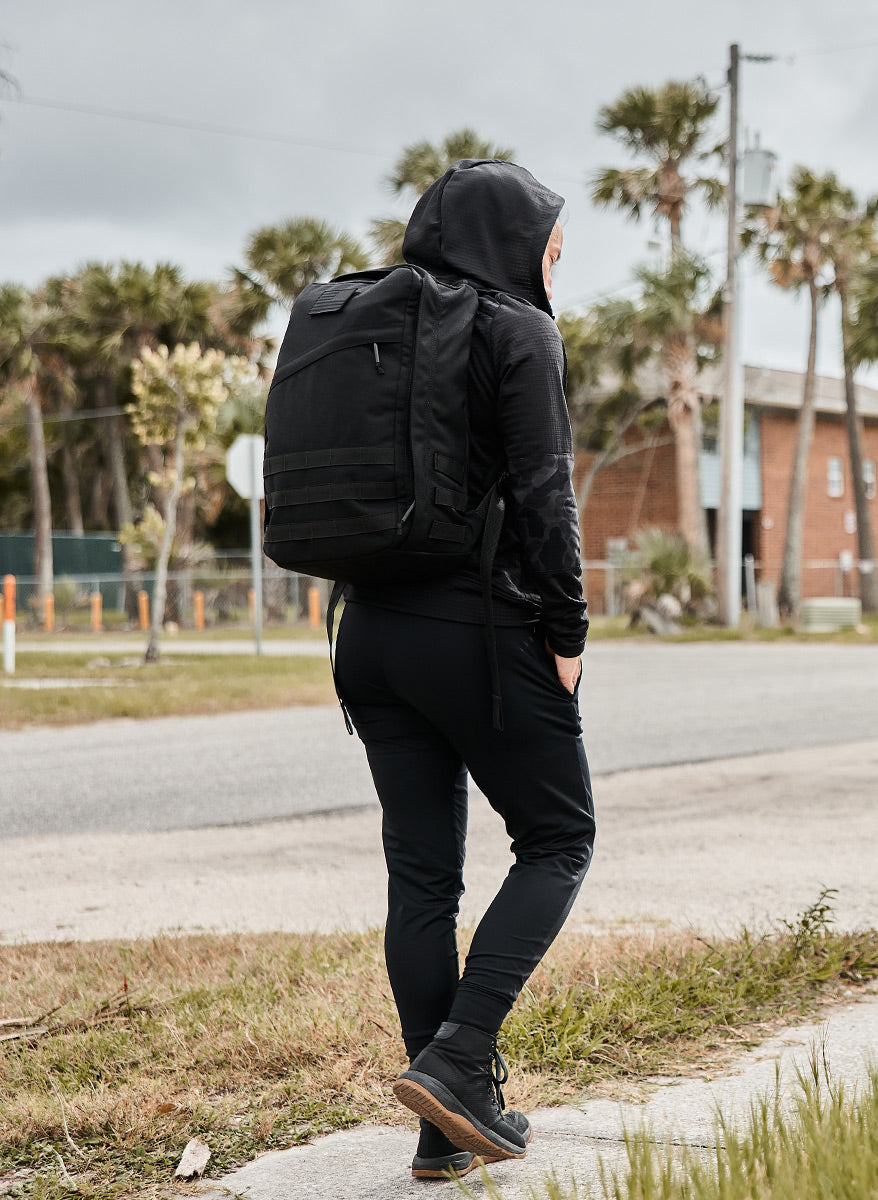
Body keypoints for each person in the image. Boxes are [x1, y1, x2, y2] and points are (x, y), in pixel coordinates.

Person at [333, 159, 595, 1178]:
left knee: (422, 880)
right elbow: (544, 495)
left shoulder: (373, 331)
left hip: (367, 637)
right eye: (551, 246)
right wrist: (566, 634)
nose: (554, 263)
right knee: (560, 838)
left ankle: (445, 1132)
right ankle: (459, 1060)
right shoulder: (516, 329)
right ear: (510, 240)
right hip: (474, 633)